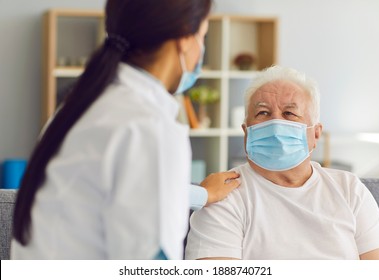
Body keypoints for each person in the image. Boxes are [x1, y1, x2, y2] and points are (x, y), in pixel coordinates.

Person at [11, 0, 240, 260]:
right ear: (184, 39)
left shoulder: (79, 106)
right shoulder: (148, 127)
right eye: (203, 36)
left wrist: (202, 194)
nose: (201, 50)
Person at [185, 65, 379, 260]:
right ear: (246, 132)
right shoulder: (223, 197)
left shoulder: (350, 189)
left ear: (316, 134)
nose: (276, 123)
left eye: (289, 113)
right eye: (262, 113)